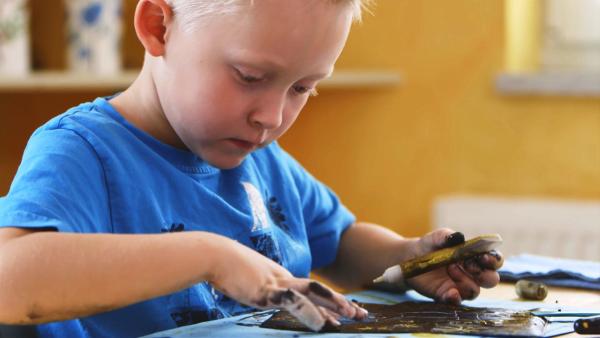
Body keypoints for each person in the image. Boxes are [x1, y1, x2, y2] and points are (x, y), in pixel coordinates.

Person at [0, 0, 504, 337]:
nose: (273, 116)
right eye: (249, 76)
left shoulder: (258, 158)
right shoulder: (85, 152)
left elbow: (342, 242)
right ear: (158, 27)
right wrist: (211, 256)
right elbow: (9, 282)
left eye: (302, 88)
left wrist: (408, 258)